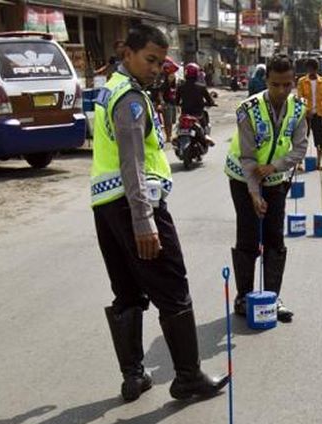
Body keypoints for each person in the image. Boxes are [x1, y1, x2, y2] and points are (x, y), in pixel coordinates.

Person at [90, 24, 228, 402]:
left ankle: (133, 376)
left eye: (160, 62)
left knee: (127, 292)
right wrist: (143, 220)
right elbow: (132, 162)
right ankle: (187, 377)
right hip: (137, 204)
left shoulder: (109, 88)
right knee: (174, 289)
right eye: (149, 60)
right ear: (127, 54)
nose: (155, 68)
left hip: (104, 205)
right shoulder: (130, 99)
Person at [225, 54, 308, 322]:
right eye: (275, 85)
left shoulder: (298, 109)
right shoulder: (248, 109)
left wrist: (274, 167)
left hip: (275, 179)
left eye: (287, 85)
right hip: (242, 178)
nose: (281, 91)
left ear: (293, 82)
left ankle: (272, 298)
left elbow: (300, 147)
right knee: (248, 236)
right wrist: (253, 192)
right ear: (266, 81)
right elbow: (248, 157)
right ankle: (244, 296)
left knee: (274, 238)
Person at [297, 58, 322, 171]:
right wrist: (306, 111)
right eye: (309, 69)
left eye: (313, 69)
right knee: (302, 139)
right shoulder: (302, 81)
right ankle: (299, 163)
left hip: (318, 114)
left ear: (316, 69)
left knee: (319, 139)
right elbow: (300, 98)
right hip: (305, 116)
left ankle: (318, 163)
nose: (311, 71)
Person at [176, 62, 216, 136]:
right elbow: (209, 100)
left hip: (185, 113)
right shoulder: (201, 87)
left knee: (179, 126)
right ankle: (206, 136)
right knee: (204, 124)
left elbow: (176, 101)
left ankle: (176, 136)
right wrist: (211, 103)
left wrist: (180, 104)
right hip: (198, 113)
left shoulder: (181, 87)